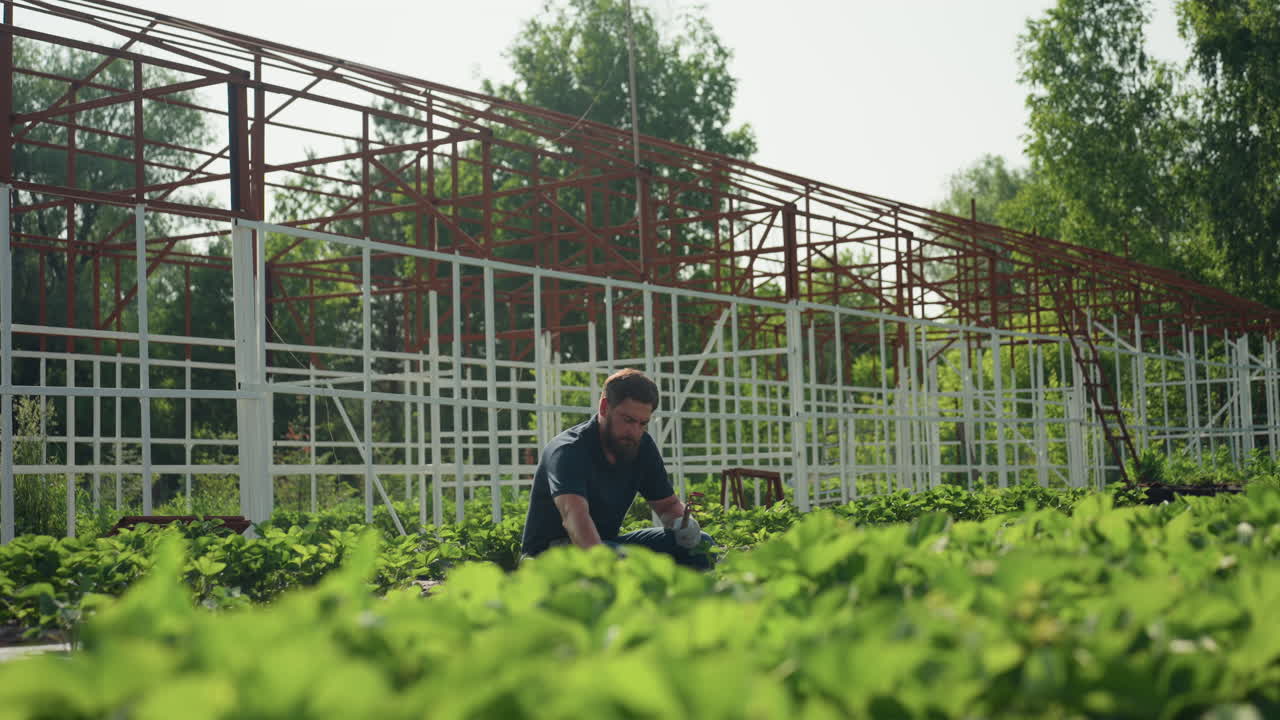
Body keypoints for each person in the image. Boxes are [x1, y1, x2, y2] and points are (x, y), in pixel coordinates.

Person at [519, 368, 714, 569]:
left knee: (702, 546)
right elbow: (575, 519)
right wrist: (616, 566)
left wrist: (683, 523)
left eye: (643, 423)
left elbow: (666, 506)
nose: (634, 431)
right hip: (551, 553)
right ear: (604, 407)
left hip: (606, 545)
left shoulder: (642, 447)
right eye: (628, 420)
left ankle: (686, 598)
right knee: (621, 560)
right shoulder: (568, 451)